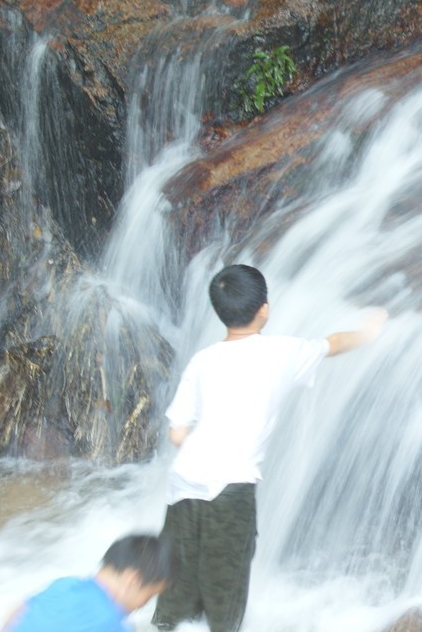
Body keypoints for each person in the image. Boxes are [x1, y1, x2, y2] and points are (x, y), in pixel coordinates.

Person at [152, 264, 387, 632]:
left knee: (179, 573)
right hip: (231, 487)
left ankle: (166, 623)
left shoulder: (202, 361)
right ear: (264, 309)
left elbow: (177, 432)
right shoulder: (284, 352)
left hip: (183, 483)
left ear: (219, 311)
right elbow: (334, 344)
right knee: (225, 580)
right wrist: (369, 331)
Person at [2, 534, 174, 632]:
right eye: (150, 595)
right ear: (132, 580)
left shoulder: (63, 585)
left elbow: (16, 613)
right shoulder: (112, 625)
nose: (144, 604)